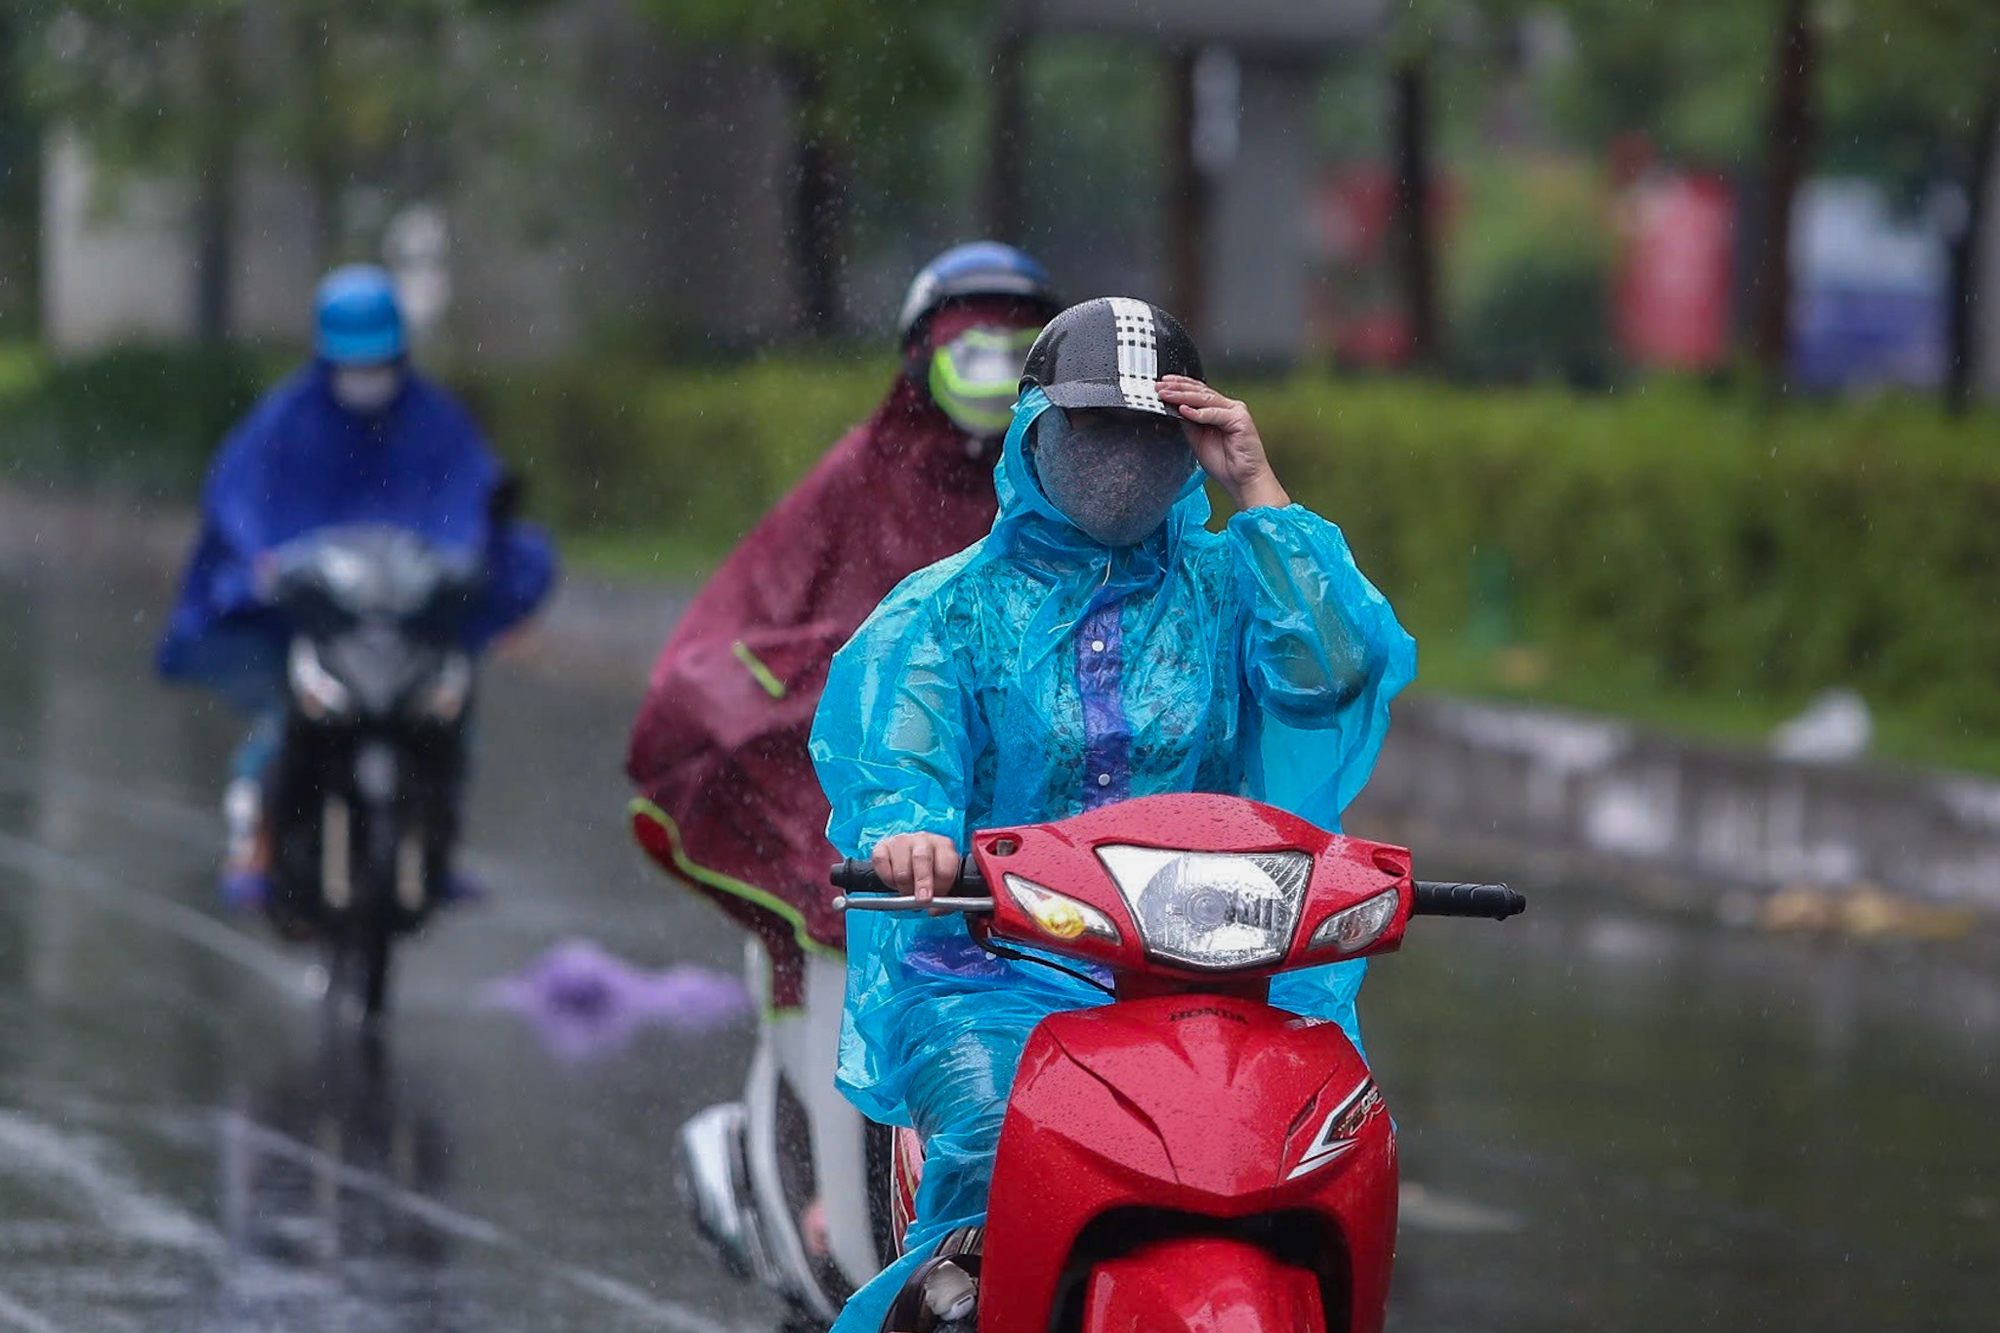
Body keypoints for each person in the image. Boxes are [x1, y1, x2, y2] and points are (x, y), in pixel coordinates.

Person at [808, 297, 1417, 1333]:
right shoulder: (941, 613)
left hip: (1209, 970)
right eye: (1094, 430)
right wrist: (909, 830)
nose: (1123, 461)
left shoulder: (1233, 584)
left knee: (1325, 1146)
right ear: (1033, 435)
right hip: (994, 968)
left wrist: (1255, 486)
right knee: (998, 1132)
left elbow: (1335, 665)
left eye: (1151, 433)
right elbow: (896, 754)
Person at [624, 241, 1060, 1007]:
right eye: (971, 340)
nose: (994, 365)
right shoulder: (859, 474)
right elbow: (734, 639)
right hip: (875, 821)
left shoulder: (1069, 488)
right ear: (922, 351)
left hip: (1045, 821)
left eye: (1018, 344)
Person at [157, 264, 556, 904]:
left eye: (379, 362)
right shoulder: (284, 422)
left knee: (451, 711)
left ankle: (439, 838)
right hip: (318, 616)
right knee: (286, 714)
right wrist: (265, 563)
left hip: (409, 615)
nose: (366, 377)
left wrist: (473, 560)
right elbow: (243, 500)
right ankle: (255, 840)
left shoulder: (435, 421)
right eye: (353, 363)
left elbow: (469, 496)